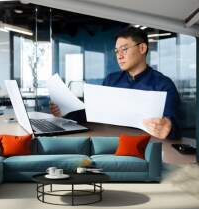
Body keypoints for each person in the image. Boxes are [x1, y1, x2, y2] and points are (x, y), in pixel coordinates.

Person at [50, 26, 181, 140]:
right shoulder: (111, 80)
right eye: (117, 51)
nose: (119, 56)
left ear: (142, 48)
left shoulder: (163, 85)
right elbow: (91, 112)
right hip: (111, 143)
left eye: (124, 49)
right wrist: (65, 112)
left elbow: (174, 127)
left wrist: (167, 127)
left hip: (148, 146)